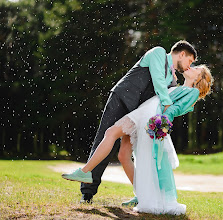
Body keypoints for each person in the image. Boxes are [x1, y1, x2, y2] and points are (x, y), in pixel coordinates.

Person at [62, 65, 213, 214]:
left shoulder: (192, 92)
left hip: (149, 116)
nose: (190, 67)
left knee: (111, 132)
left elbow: (176, 108)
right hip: (144, 112)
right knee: (123, 155)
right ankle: (141, 195)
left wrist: (162, 120)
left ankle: (85, 171)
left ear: (198, 78)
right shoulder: (178, 86)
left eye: (195, 69)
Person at [78, 40, 197, 204]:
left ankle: (142, 196)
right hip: (122, 98)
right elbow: (158, 83)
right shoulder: (158, 52)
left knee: (125, 154)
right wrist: (169, 98)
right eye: (189, 61)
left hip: (136, 113)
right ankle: (87, 193)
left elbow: (172, 98)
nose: (188, 66)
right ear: (182, 54)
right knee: (104, 139)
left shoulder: (173, 78)